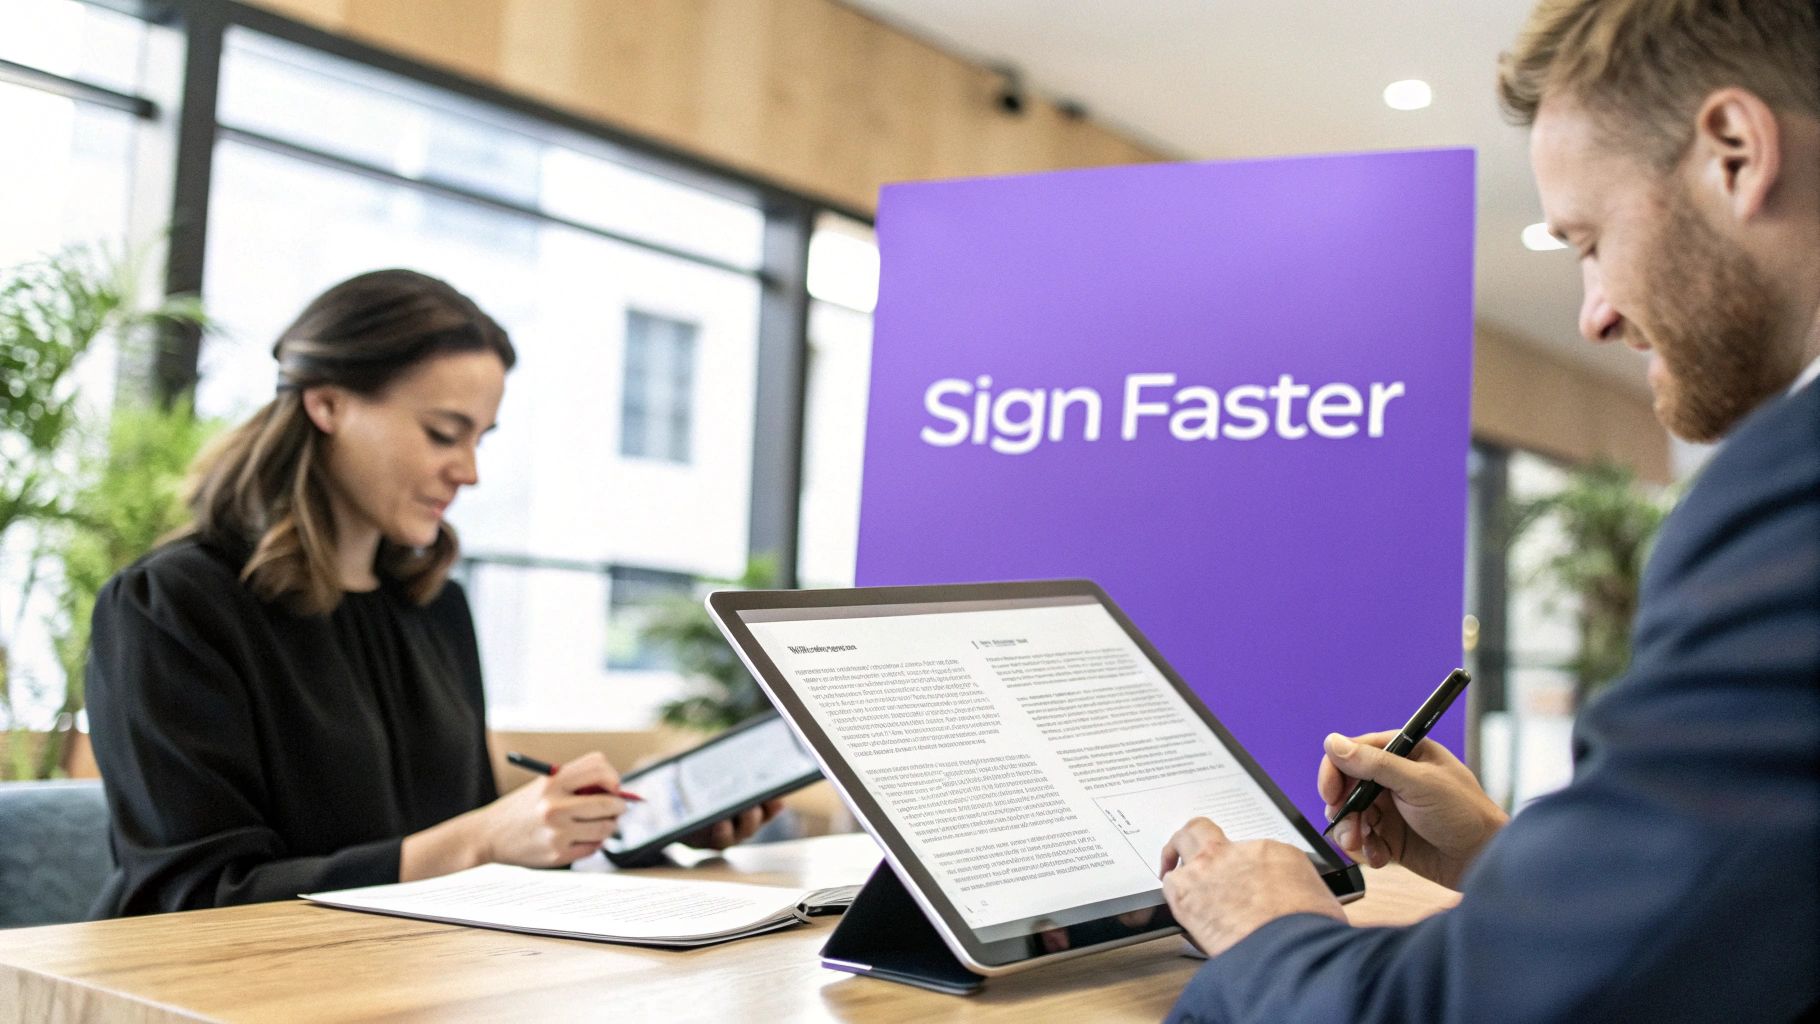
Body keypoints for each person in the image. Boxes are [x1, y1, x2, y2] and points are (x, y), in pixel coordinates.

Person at [1158, 1, 1820, 1020]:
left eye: (1587, 240)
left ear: (1732, 151)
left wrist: (1262, 933)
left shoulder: (1791, 491)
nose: (1593, 310)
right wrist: (1510, 862)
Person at [86, 269, 776, 917]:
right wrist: (479, 842)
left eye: (480, 437)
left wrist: (628, 811)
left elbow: (463, 820)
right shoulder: (170, 605)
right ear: (326, 402)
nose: (469, 471)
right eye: (443, 433)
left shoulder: (433, 608)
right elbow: (190, 897)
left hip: (417, 980)